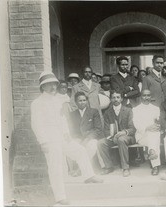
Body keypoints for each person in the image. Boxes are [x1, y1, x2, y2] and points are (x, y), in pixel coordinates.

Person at [31, 71, 103, 205]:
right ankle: (60, 197)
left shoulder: (57, 100)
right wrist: (43, 141)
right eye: (49, 85)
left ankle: (89, 175)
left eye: (54, 84)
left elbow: (62, 118)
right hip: (49, 140)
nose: (53, 87)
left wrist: (66, 133)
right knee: (56, 167)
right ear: (42, 87)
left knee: (80, 151)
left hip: (61, 138)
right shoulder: (37, 103)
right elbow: (36, 124)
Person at [97, 90, 136, 177]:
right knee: (101, 143)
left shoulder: (128, 110)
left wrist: (124, 132)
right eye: (113, 97)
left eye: (118, 97)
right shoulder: (107, 112)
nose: (116, 99)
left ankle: (125, 168)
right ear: (110, 99)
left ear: (122, 99)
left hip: (127, 137)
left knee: (121, 139)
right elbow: (106, 130)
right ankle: (109, 166)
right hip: (113, 137)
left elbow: (132, 128)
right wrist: (112, 137)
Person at [69, 92, 105, 161]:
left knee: (91, 146)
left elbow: (98, 129)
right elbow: (72, 130)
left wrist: (87, 138)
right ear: (76, 102)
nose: (82, 102)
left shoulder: (94, 111)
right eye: (80, 101)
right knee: (73, 146)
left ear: (87, 101)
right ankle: (81, 166)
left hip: (92, 137)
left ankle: (82, 167)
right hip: (79, 138)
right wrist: (78, 139)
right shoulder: (73, 114)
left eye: (84, 100)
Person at [133, 90, 161, 176]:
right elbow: (136, 124)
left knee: (153, 135)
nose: (146, 97)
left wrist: (156, 127)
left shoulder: (156, 108)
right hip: (142, 135)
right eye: (144, 95)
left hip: (153, 134)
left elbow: (158, 122)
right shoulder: (135, 109)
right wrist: (148, 127)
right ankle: (154, 161)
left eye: (148, 95)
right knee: (154, 137)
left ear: (151, 97)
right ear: (141, 97)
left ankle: (153, 160)